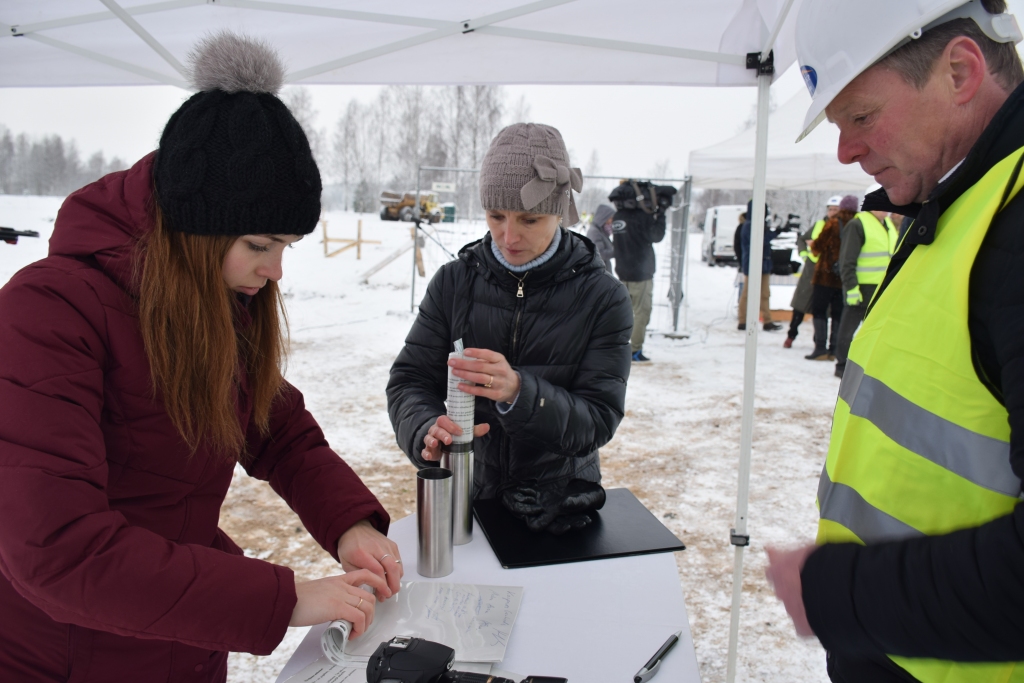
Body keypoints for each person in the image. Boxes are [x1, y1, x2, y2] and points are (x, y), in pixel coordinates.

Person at [0, 34, 403, 682]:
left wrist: (350, 521)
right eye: (259, 243)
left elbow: (277, 429)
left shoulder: (210, 300)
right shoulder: (46, 313)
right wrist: (286, 597)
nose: (274, 271)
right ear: (196, 225)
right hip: (66, 654)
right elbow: (59, 551)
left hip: (185, 642)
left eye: (286, 247)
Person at [766, 1, 1024, 681]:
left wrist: (839, 591)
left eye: (861, 116)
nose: (846, 151)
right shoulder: (963, 199)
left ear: (960, 72)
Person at [387, 123, 632, 536]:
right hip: (468, 499)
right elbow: (409, 379)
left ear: (559, 212)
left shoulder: (602, 297)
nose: (508, 235)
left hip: (560, 503)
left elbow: (598, 418)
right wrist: (425, 428)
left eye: (530, 219)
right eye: (495, 215)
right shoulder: (454, 283)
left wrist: (521, 393)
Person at [833, 196, 899, 377]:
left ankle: (868, 366)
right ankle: (842, 366)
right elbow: (847, 260)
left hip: (881, 289)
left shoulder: (887, 226)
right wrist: (852, 288)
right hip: (861, 289)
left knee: (874, 332)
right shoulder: (857, 225)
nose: (886, 209)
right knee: (848, 329)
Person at [610, 182, 667, 362]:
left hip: (622, 271)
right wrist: (661, 216)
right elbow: (656, 236)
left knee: (624, 314)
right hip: (640, 274)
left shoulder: (618, 216)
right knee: (642, 313)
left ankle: (618, 347)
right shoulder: (641, 217)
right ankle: (634, 350)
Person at [786, 195, 842, 348]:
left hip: (829, 273)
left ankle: (820, 340)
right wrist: (805, 256)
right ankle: (791, 335)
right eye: (830, 209)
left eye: (836, 209)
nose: (832, 212)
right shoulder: (818, 225)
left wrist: (816, 245)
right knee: (800, 304)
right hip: (812, 269)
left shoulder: (844, 227)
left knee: (822, 307)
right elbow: (802, 240)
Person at [805, 196, 854, 360]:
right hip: (844, 277)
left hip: (825, 276)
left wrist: (813, 245)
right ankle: (834, 349)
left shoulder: (832, 223)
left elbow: (818, 246)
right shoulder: (857, 224)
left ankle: (820, 348)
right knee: (838, 313)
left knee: (819, 311)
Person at [738, 200, 784, 331]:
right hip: (753, 264)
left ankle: (767, 320)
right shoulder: (749, 225)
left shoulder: (756, 224)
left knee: (764, 294)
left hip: (763, 263)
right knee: (748, 293)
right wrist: (775, 232)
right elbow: (759, 241)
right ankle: (743, 320)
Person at [586, 203, 616, 273]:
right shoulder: (595, 232)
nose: (611, 221)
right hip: (599, 273)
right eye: (610, 218)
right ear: (603, 217)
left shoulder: (601, 231)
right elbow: (600, 254)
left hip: (603, 271)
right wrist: (617, 252)